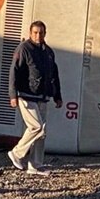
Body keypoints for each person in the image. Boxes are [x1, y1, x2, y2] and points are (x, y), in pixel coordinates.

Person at [6, 21, 61, 176]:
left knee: (42, 132)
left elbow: (54, 75)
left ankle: (35, 165)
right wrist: (13, 95)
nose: (38, 35)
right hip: (26, 94)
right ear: (30, 33)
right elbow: (14, 72)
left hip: (43, 96)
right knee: (36, 127)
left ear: (45, 33)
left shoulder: (48, 52)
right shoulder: (24, 49)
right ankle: (16, 153)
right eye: (35, 32)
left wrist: (57, 96)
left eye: (41, 32)